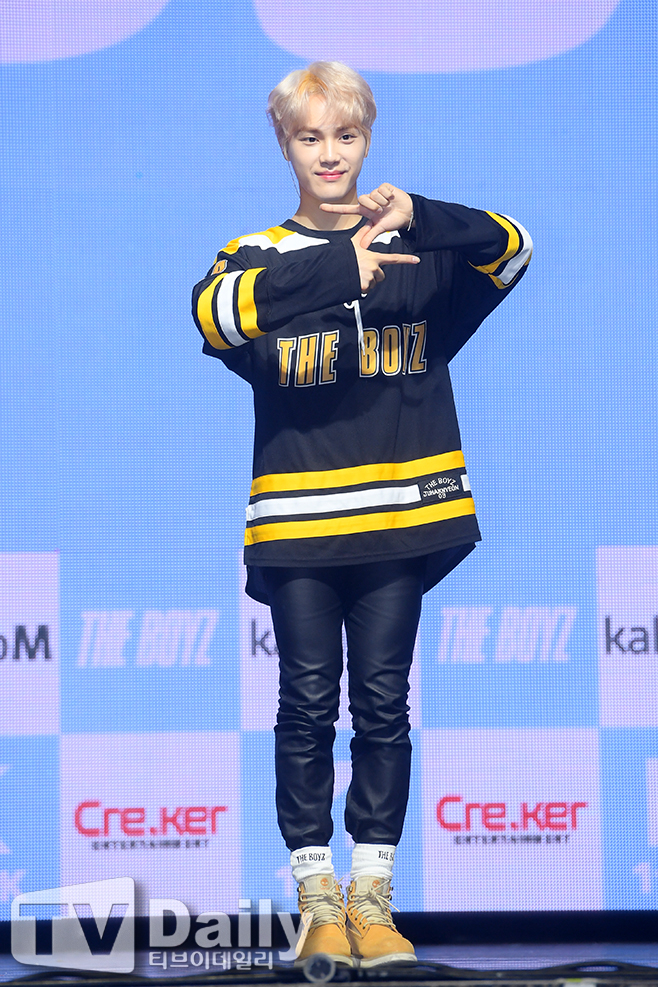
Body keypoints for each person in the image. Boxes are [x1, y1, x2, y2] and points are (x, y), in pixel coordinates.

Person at [192, 61, 531, 967]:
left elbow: (513, 248)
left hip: (399, 516)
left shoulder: (416, 246)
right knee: (306, 703)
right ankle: (317, 900)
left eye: (346, 135)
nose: (330, 153)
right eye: (310, 137)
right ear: (284, 144)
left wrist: (420, 214)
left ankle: (372, 899)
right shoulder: (255, 251)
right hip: (299, 522)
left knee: (383, 706)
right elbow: (215, 317)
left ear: (367, 139)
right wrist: (338, 265)